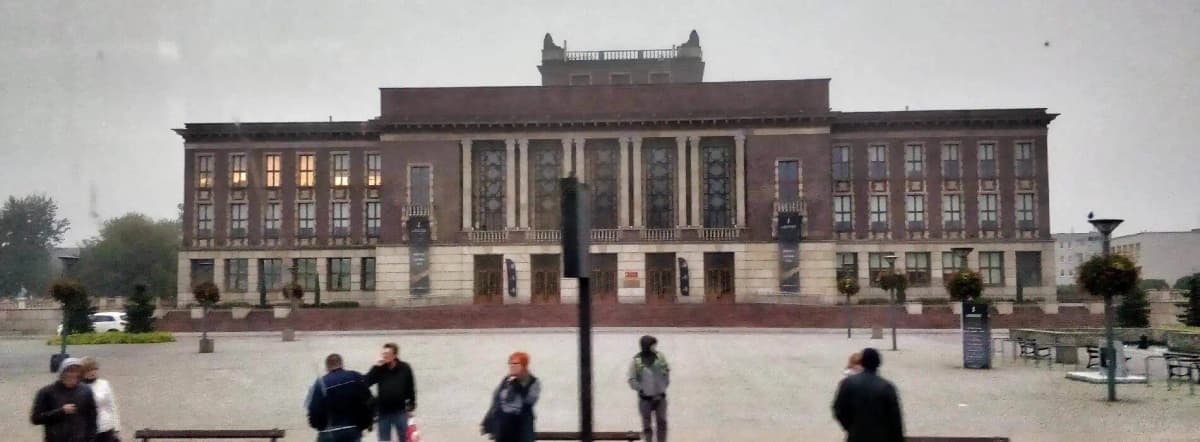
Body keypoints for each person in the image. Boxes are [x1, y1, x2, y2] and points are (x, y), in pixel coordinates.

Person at [832, 348, 904, 442]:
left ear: (862, 362)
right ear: (878, 363)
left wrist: (850, 427)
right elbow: (895, 419)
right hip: (881, 437)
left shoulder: (848, 383)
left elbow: (838, 409)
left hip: (856, 436)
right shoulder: (887, 387)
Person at [308, 353, 375, 442]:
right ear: (342, 364)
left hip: (328, 432)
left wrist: (319, 426)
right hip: (351, 429)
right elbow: (369, 401)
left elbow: (314, 409)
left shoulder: (320, 383)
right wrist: (367, 423)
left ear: (327, 367)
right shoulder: (354, 376)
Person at [30, 357, 98, 442]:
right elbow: (36, 419)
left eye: (77, 372)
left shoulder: (85, 391)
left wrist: (91, 439)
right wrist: (61, 411)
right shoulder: (47, 392)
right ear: (62, 373)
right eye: (70, 371)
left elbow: (92, 418)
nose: (73, 375)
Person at [481, 352, 541, 442]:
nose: (512, 366)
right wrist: (488, 420)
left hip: (521, 426)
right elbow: (497, 401)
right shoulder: (507, 380)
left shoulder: (533, 381)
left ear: (524, 365)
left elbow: (529, 402)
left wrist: (518, 385)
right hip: (504, 425)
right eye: (510, 363)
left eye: (515, 364)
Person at [365, 343, 416, 442]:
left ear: (395, 355)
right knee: (384, 439)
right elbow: (366, 382)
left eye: (387, 354)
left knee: (404, 438)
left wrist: (412, 403)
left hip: (400, 411)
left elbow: (410, 386)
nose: (385, 356)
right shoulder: (379, 369)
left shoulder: (405, 368)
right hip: (383, 412)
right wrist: (375, 367)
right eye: (383, 353)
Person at [627, 335, 669, 442]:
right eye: (652, 345)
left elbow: (666, 371)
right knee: (646, 425)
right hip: (645, 399)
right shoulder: (636, 361)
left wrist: (663, 386)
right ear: (646, 346)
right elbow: (632, 379)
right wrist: (642, 389)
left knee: (662, 422)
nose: (655, 347)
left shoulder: (660, 357)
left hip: (660, 398)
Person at [79, 357, 120, 442]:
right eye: (89, 370)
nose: (92, 372)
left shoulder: (104, 384)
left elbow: (112, 406)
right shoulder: (78, 387)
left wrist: (116, 427)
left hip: (105, 427)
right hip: (86, 429)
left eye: (94, 369)